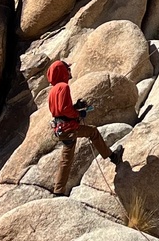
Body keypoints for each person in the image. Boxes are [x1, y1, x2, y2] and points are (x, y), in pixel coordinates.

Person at [46, 60, 122, 196]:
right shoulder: (63, 87)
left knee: (66, 159)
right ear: (63, 72)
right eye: (67, 69)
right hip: (69, 128)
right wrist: (77, 113)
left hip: (61, 129)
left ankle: (58, 190)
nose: (69, 72)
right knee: (93, 132)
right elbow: (64, 109)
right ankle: (113, 157)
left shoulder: (52, 91)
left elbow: (58, 110)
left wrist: (75, 107)